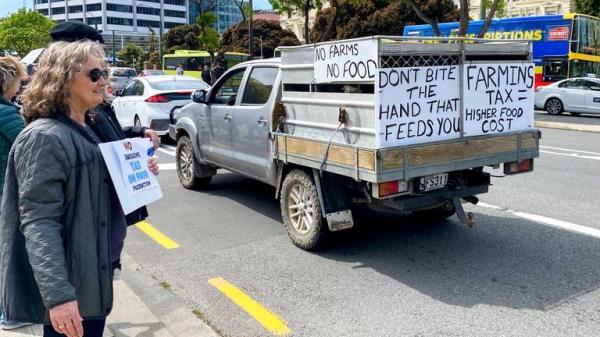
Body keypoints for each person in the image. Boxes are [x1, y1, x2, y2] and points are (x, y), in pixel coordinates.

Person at [0, 40, 159, 337]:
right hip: (73, 276)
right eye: (95, 74)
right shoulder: (44, 137)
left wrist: (138, 170)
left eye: (106, 73)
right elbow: (38, 223)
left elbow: (96, 182)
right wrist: (59, 297)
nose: (104, 81)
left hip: (95, 265)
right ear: (63, 77)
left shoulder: (89, 123)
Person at [0, 56, 34, 331]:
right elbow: (29, 150)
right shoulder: (6, 113)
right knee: (9, 254)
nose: (21, 85)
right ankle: (9, 313)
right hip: (4, 194)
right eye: (20, 79)